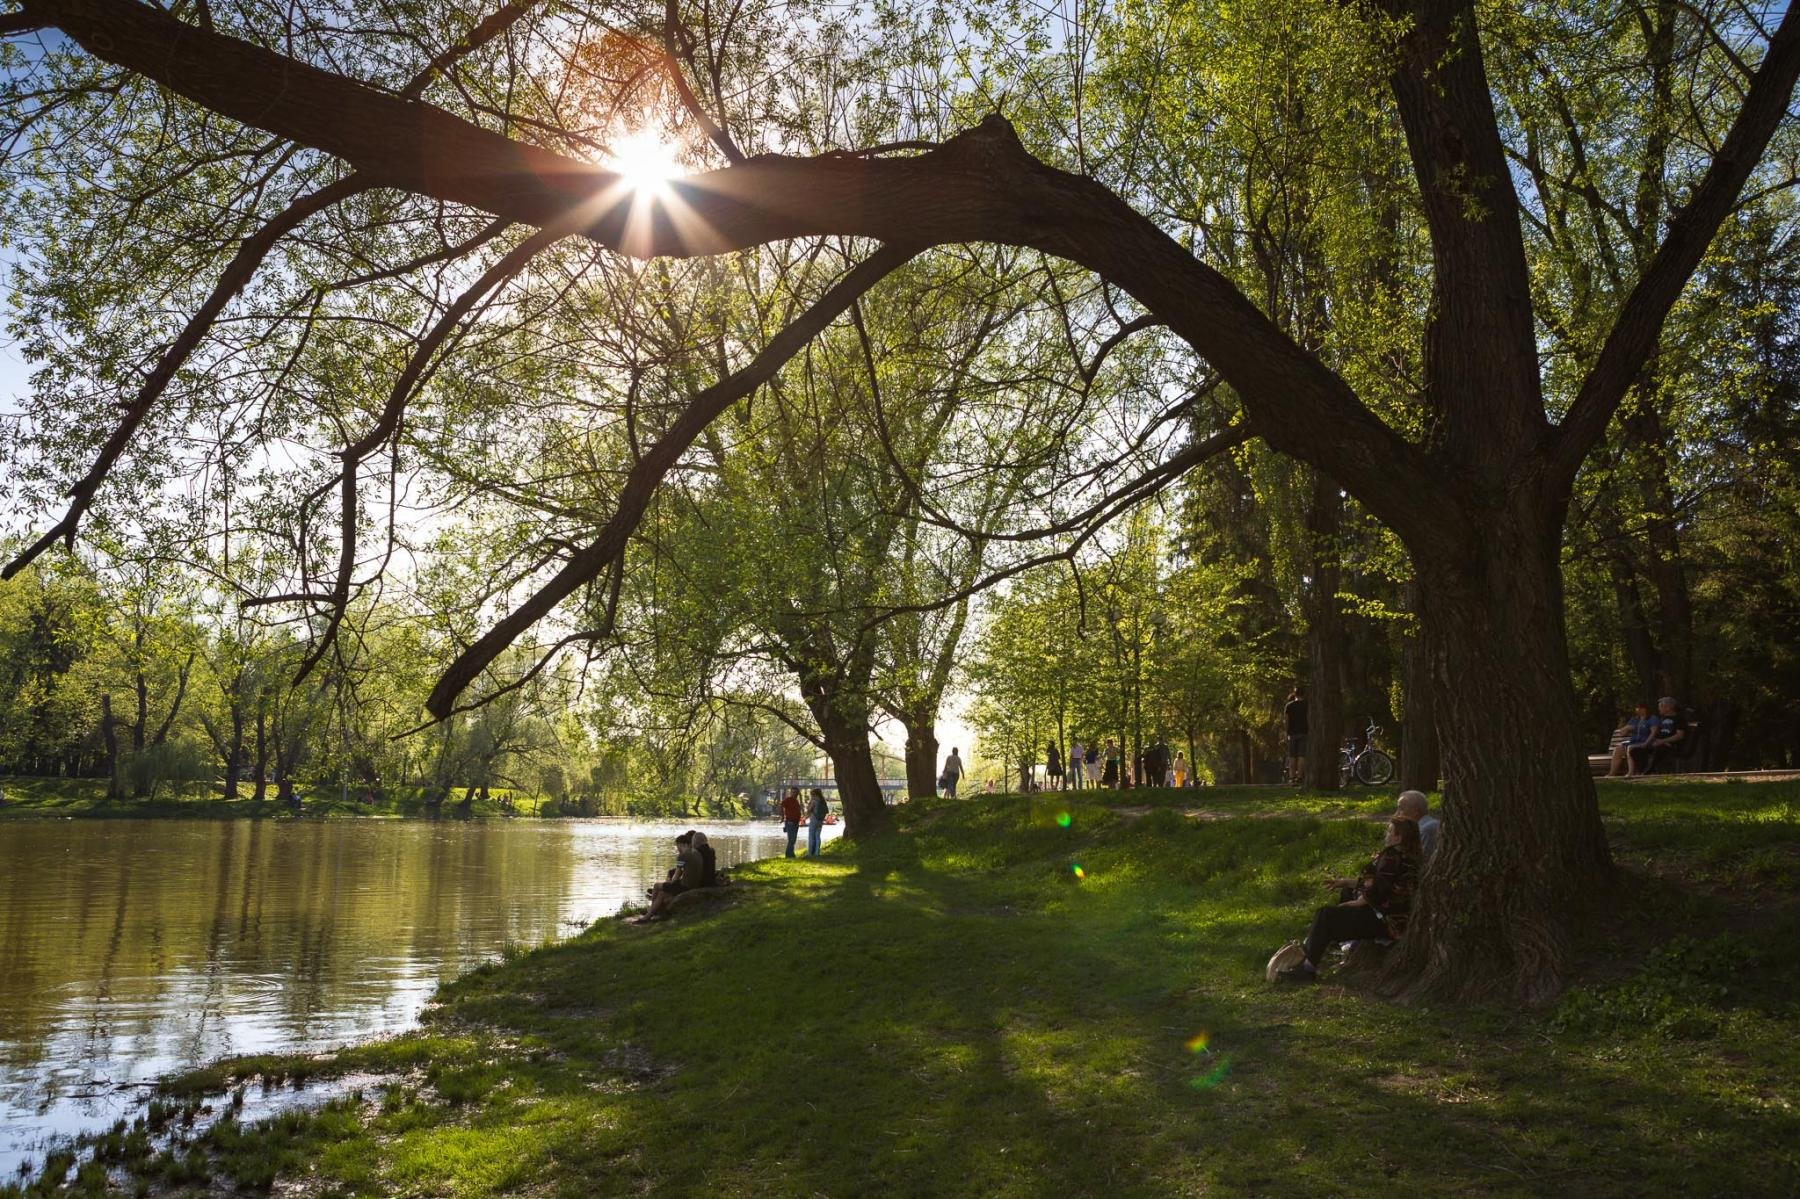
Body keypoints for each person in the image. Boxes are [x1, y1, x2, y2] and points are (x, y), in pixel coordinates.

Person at [1275, 817, 1421, 983]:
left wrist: (1357, 902)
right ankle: (1336, 943)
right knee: (1347, 891)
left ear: (1399, 837)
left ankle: (1307, 969)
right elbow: (1376, 883)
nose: (1386, 834)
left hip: (1389, 922)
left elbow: (1380, 888)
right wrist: (1346, 882)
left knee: (1325, 915)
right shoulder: (1410, 857)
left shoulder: (1393, 856)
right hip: (1397, 917)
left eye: (1389, 831)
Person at [636, 830, 713, 922]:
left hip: (685, 886)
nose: (677, 849)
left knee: (657, 886)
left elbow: (676, 876)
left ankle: (650, 913)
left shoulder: (683, 856)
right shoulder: (696, 853)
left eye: (677, 846)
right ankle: (650, 915)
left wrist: (668, 885)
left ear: (681, 844)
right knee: (661, 894)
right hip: (694, 884)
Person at [1628, 697, 1690, 775]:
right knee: (1635, 751)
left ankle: (1647, 772)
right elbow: (1655, 733)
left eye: (1660, 706)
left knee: (1660, 748)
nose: (1658, 709)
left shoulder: (1679, 719)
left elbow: (1679, 736)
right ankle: (1643, 771)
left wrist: (1663, 741)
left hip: (1672, 745)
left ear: (1668, 708)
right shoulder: (1660, 719)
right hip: (1657, 744)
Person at [1609, 702, 1657, 777]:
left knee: (1630, 748)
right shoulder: (1635, 719)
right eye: (1637, 708)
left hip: (1644, 742)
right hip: (1633, 741)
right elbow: (1622, 733)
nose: (1638, 710)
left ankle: (1630, 772)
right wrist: (1628, 728)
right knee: (1619, 748)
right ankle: (1611, 774)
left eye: (1641, 708)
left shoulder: (1652, 718)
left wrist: (1646, 743)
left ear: (1646, 709)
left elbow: (1653, 733)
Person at [1394, 790, 1440, 861]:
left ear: (1415, 811)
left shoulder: (1425, 829)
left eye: (1401, 808)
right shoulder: (1425, 825)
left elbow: (1422, 861)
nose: (1397, 814)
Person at [1284, 686, 1309, 785]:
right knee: (1302, 756)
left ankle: (1291, 778)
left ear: (1295, 694)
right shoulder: (1307, 705)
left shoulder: (1289, 706)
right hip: (1303, 732)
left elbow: (1286, 720)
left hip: (1292, 733)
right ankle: (1299, 777)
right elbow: (1308, 718)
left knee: (1292, 756)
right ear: (1304, 694)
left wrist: (1286, 732)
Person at [805, 788, 829, 857]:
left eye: (811, 794)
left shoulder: (814, 801)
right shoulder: (823, 801)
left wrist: (806, 815)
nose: (811, 795)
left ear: (814, 794)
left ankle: (809, 853)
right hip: (820, 821)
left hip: (814, 820)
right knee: (818, 837)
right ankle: (817, 853)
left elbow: (809, 810)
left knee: (811, 836)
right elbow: (826, 811)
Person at [780, 787, 802, 857]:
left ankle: (792, 854)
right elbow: (780, 806)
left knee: (793, 839)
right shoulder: (788, 800)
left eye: (796, 792)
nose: (795, 794)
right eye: (793, 792)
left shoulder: (796, 801)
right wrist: (783, 816)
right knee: (791, 839)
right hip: (790, 822)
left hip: (796, 822)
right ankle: (788, 855)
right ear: (791, 793)